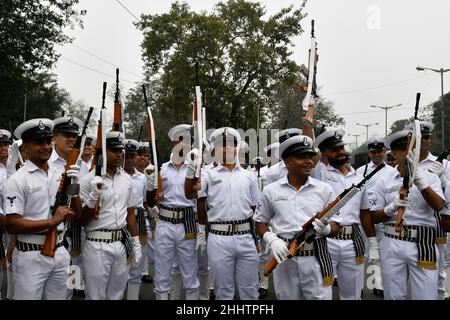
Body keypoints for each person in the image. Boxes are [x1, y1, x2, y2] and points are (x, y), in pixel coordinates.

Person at [255, 135, 341, 299]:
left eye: (310, 156)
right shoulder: (271, 191)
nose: (309, 161)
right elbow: (260, 222)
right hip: (285, 258)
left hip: (317, 258)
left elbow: (337, 226)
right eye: (302, 157)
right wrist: (271, 240)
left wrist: (327, 228)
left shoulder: (325, 189)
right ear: (287, 162)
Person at [5, 118, 81, 299]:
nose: (46, 146)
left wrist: (74, 186)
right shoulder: (18, 179)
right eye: (39, 142)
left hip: (61, 251)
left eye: (48, 141)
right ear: (25, 148)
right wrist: (52, 221)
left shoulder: (60, 175)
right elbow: (12, 224)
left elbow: (77, 214)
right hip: (30, 253)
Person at [185, 127, 260, 300]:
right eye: (222, 145)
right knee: (223, 290)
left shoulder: (249, 176)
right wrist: (191, 167)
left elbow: (255, 208)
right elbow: (190, 194)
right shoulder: (207, 174)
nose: (227, 148)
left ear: (237, 148)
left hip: (246, 237)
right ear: (214, 150)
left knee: (250, 290)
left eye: (232, 145)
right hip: (219, 238)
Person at [371, 130, 445, 299]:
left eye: (413, 149)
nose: (409, 154)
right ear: (394, 153)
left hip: (423, 242)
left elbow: (439, 206)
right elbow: (374, 217)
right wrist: (390, 209)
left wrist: (421, 183)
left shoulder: (430, 177)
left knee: (426, 295)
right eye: (404, 149)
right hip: (392, 242)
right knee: (393, 295)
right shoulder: (384, 180)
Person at [78, 131, 142, 300]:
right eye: (114, 150)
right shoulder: (87, 180)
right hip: (97, 244)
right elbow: (82, 220)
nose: (119, 155)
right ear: (101, 152)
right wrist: (93, 197)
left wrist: (135, 242)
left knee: (117, 294)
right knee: (95, 296)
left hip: (121, 243)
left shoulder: (127, 179)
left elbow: (129, 213)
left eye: (121, 150)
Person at [312, 129, 374, 300]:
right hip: (326, 240)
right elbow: (309, 150)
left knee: (353, 294)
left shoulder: (359, 177)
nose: (340, 152)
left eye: (341, 148)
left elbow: (364, 213)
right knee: (320, 292)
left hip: (352, 240)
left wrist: (372, 240)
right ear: (324, 154)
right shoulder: (319, 173)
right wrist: (309, 124)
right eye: (334, 149)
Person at [146, 124, 199, 300]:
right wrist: (152, 189)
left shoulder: (197, 170)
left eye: (188, 142)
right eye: (180, 141)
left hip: (187, 224)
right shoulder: (161, 169)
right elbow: (151, 200)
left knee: (190, 271)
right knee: (162, 271)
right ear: (174, 143)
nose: (184, 145)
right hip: (165, 223)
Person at [405, 120, 450, 299]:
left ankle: (441, 294)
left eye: (427, 138)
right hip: (413, 221)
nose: (424, 141)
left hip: (437, 220)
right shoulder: (406, 161)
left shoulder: (444, 164)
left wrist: (443, 182)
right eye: (421, 137)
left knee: (439, 263)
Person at [356, 138, 397, 297]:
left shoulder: (392, 172)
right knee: (360, 252)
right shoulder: (361, 171)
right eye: (373, 152)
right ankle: (358, 285)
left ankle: (377, 284)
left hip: (382, 215)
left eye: (379, 151)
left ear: (384, 152)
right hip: (365, 217)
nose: (376, 155)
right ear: (369, 153)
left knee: (381, 252)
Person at [123, 139, 148, 300]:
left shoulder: (142, 177)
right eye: (128, 156)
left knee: (137, 266)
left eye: (133, 156)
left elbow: (144, 202)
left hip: (139, 221)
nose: (131, 160)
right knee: (120, 266)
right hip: (120, 221)